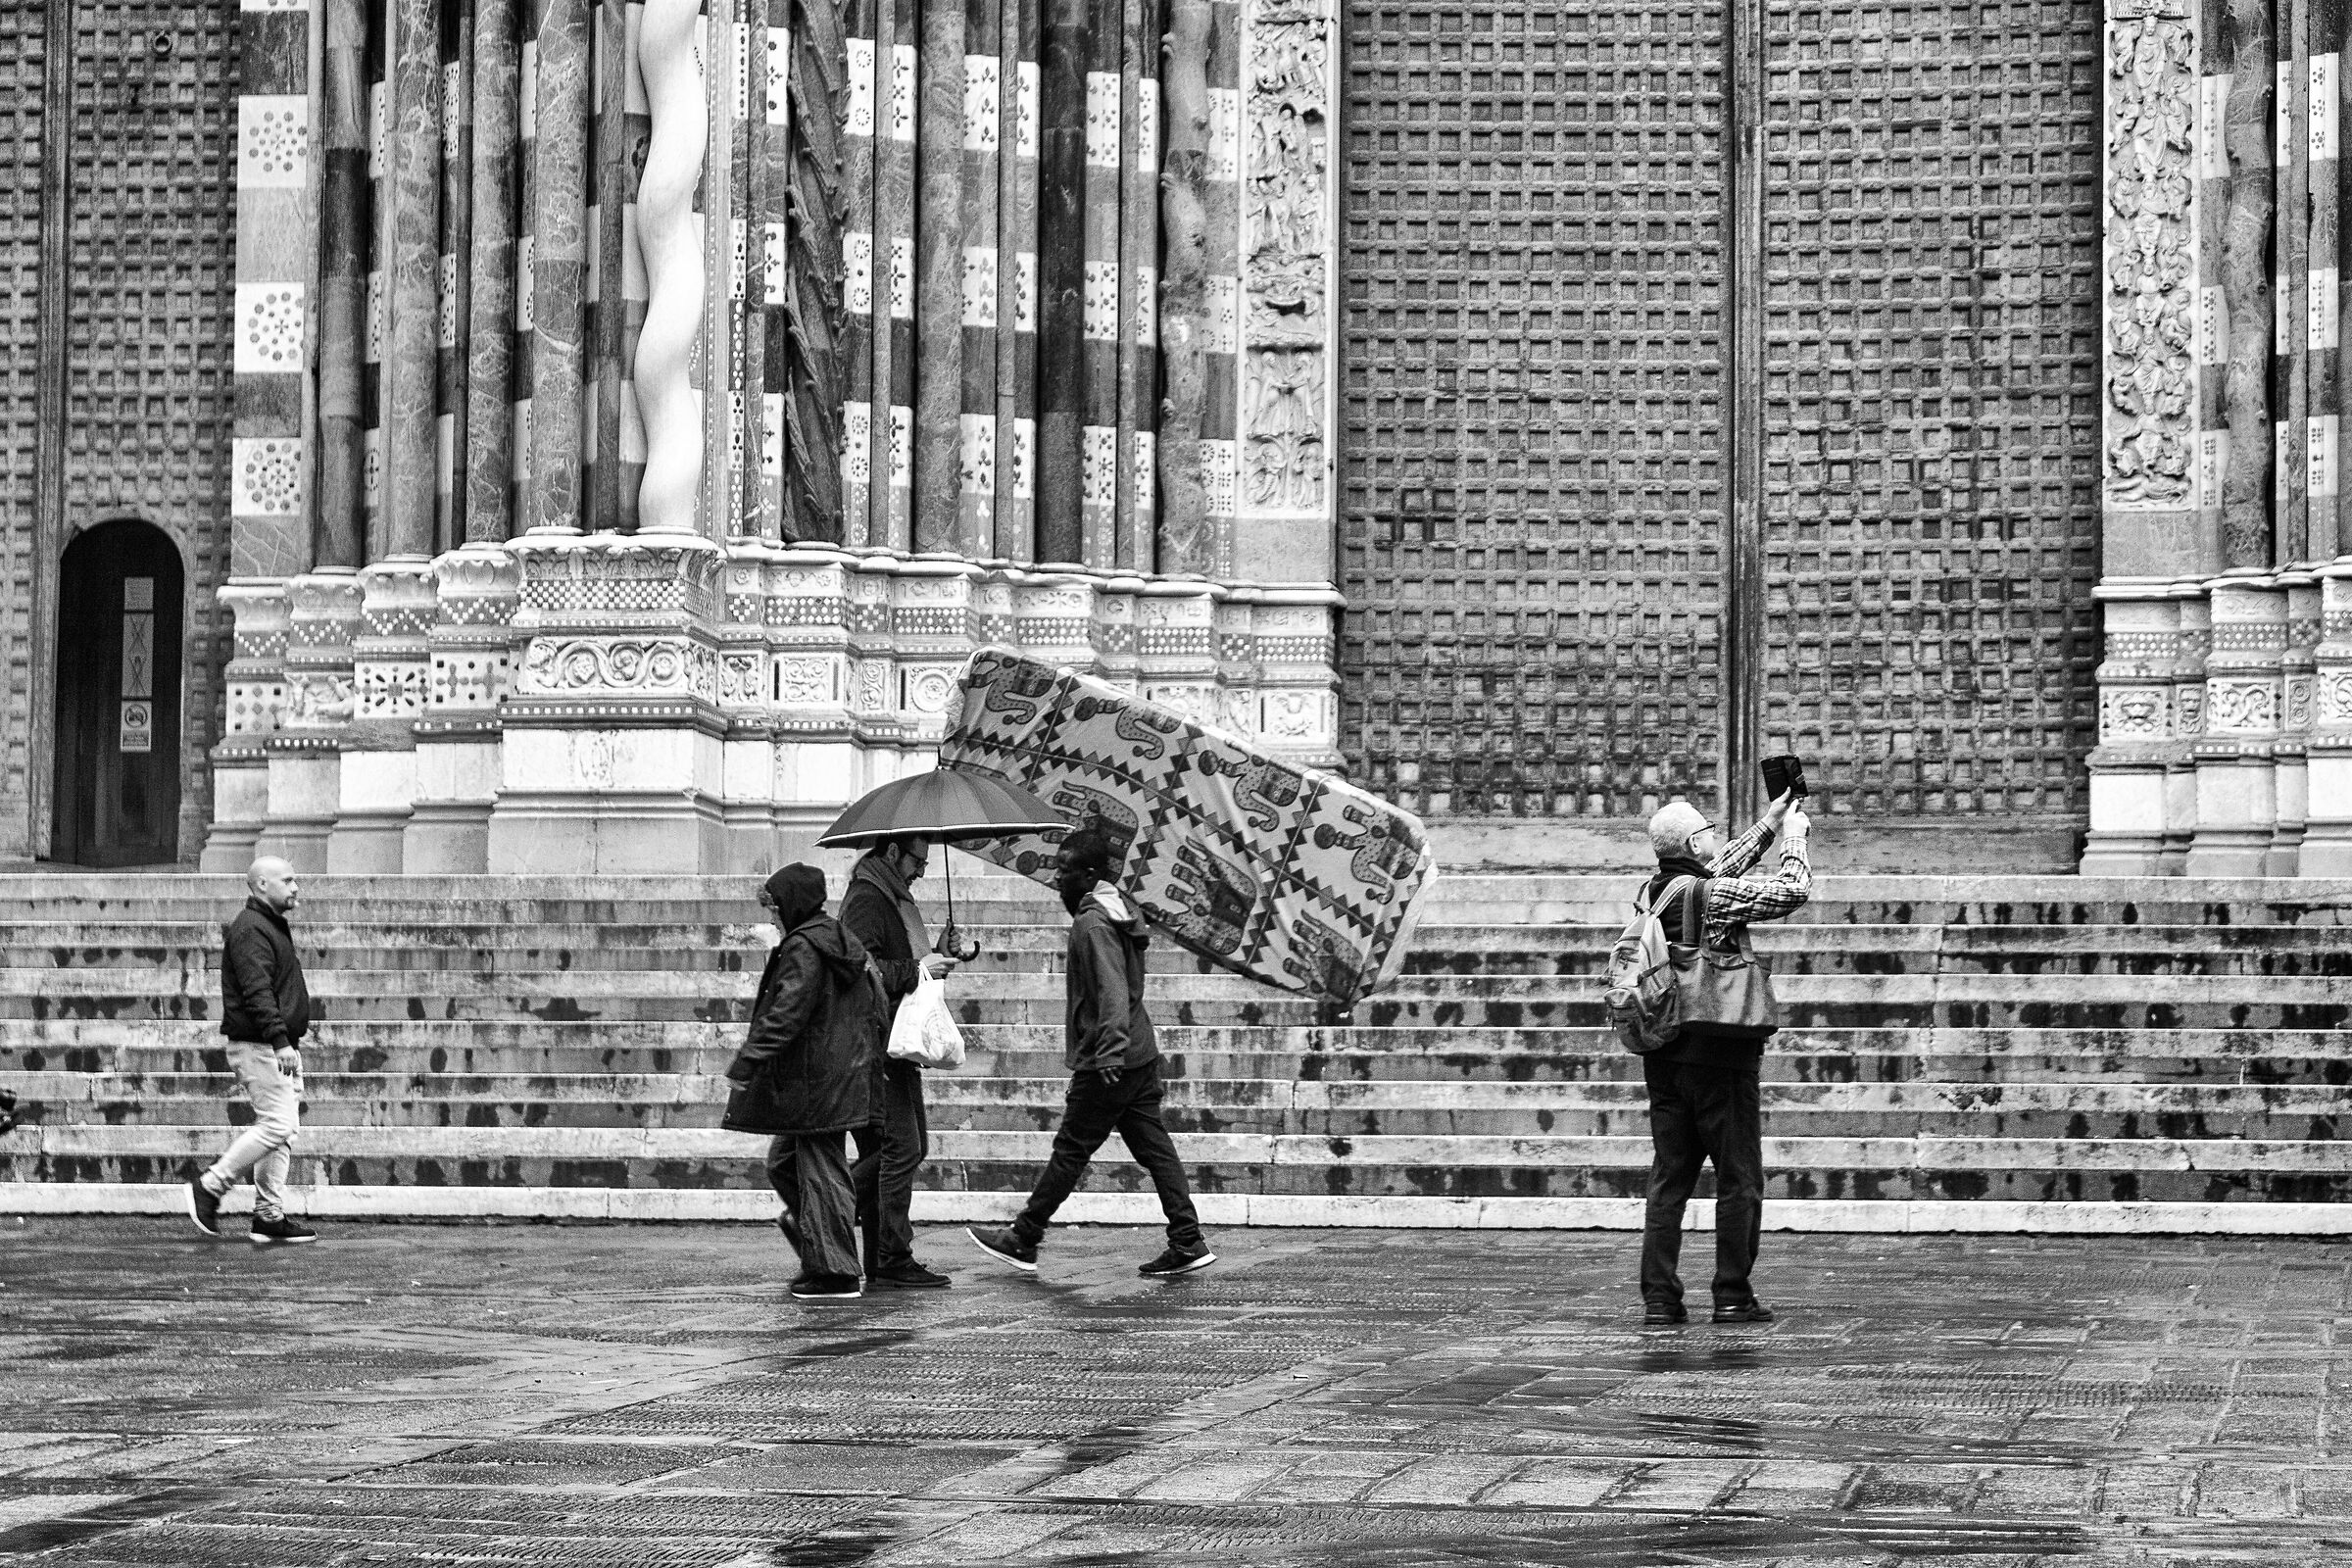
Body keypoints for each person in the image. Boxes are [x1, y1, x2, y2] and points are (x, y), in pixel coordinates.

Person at [967, 826, 1215, 1279]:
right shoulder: (1117, 911)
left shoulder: (1094, 922)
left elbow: (1112, 992)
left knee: (1070, 1149)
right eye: (1057, 869)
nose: (1057, 878)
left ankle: (1024, 1237)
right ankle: (1186, 1239)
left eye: (1066, 871)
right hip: (1138, 1052)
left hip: (1111, 1058)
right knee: (1154, 1146)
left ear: (1090, 874)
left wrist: (1108, 1053)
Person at [1638, 792, 1812, 1327]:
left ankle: (1661, 1299)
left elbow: (1715, 871)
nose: (1714, 838)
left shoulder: (1654, 892)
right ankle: (1732, 1294)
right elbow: (1791, 891)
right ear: (1693, 841)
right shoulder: (1710, 897)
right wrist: (1794, 839)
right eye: (1708, 831)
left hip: (1665, 1050)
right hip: (1721, 1051)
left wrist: (1768, 822)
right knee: (1739, 1178)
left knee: (1670, 1178)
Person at [725, 864, 883, 1302]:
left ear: (790, 905)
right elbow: (876, 999)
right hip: (832, 1076)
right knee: (783, 1164)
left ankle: (835, 1271)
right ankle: (821, 1242)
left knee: (821, 1171)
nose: (773, 918)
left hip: (816, 1082)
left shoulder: (805, 946)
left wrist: (748, 1060)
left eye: (775, 909)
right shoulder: (835, 938)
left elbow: (786, 1012)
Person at [838, 837, 958, 1289]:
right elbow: (857, 968)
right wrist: (916, 967)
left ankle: (873, 1250)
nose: (922, 872)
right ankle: (836, 1225)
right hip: (874, 1042)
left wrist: (938, 956)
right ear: (892, 854)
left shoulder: (890, 897)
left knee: (900, 1148)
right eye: (917, 861)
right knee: (902, 1148)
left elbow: (901, 963)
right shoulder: (867, 899)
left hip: (893, 1041)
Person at [186, 857, 318, 1245]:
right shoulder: (252, 930)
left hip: (274, 1044)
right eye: (288, 880)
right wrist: (279, 1040)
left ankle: (268, 1215)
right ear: (261, 885)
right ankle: (211, 1186)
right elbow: (256, 991)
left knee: (282, 1130)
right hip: (262, 1044)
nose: (296, 888)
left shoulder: (268, 925)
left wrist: (285, 1040)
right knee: (278, 1125)